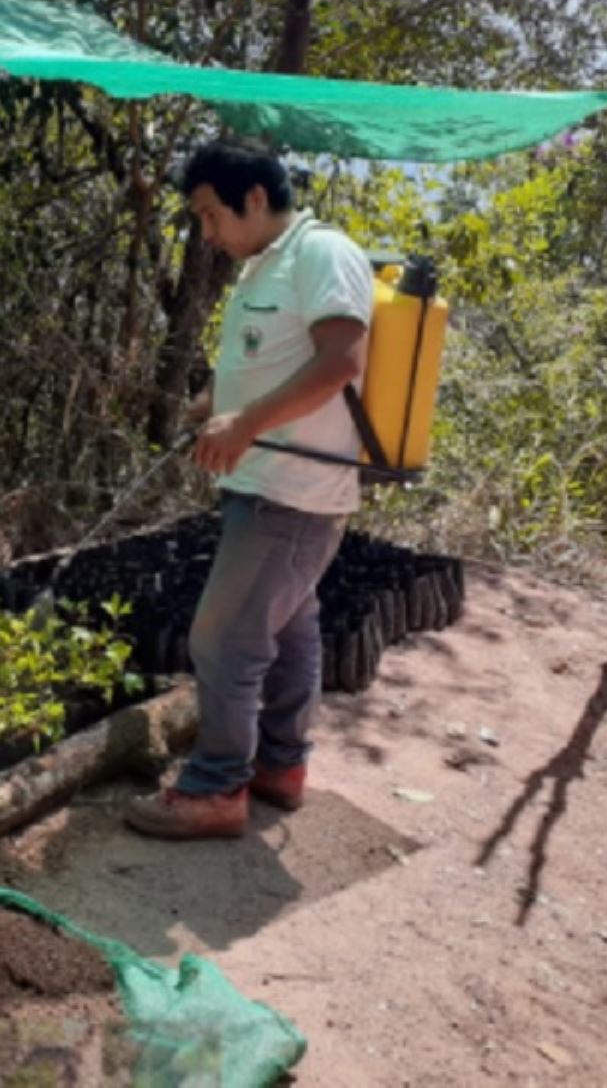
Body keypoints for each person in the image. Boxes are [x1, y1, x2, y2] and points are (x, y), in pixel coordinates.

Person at [125, 141, 374, 841]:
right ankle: (280, 767)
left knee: (223, 637)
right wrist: (215, 403)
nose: (208, 235)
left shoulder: (321, 255)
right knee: (290, 627)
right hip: (266, 483)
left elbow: (340, 362)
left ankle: (215, 789)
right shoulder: (268, 263)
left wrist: (249, 421)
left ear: (255, 199)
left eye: (210, 215)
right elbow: (271, 357)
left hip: (293, 489)